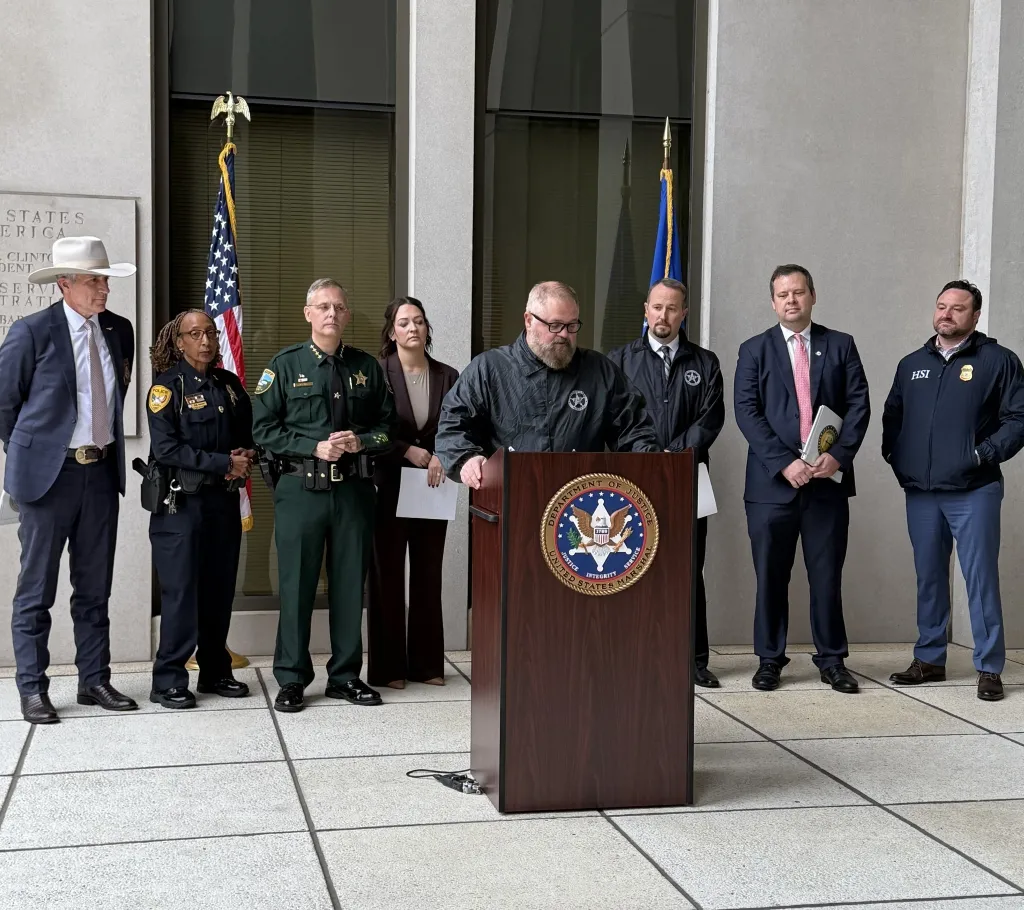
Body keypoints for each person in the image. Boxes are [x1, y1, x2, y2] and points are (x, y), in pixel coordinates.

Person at [0, 236, 139, 724]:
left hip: (99, 473)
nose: (104, 289)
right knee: (36, 589)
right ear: (65, 284)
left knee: (94, 586)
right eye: (94, 281)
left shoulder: (120, 331)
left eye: (106, 280)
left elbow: (115, 391)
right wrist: (30, 457)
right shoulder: (31, 332)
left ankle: (94, 680)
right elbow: (6, 406)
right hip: (48, 479)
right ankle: (33, 688)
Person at [252, 278, 397, 713]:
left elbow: (388, 427)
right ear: (308, 313)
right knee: (296, 584)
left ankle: (346, 676)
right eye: (323, 307)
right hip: (301, 490)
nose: (332, 314)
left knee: (351, 584)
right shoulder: (283, 365)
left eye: (338, 307)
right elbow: (262, 429)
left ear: (347, 315)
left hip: (353, 490)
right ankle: (293, 678)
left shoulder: (366, 367)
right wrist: (311, 446)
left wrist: (362, 441)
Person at [883, 280, 1024, 702]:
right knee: (928, 576)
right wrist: (899, 459)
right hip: (922, 492)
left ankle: (989, 667)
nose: (946, 314)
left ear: (975, 316)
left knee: (979, 578)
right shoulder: (911, 364)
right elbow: (893, 418)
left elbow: (1018, 420)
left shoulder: (998, 361)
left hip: (973, 490)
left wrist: (982, 455)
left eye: (957, 309)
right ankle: (929, 659)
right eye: (941, 306)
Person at [734, 264, 870, 694]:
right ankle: (769, 660)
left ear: (813, 295)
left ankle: (832, 660)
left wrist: (839, 457)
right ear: (773, 302)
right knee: (771, 576)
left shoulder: (841, 345)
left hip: (826, 483)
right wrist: (783, 463)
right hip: (772, 487)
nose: (791, 300)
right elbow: (746, 412)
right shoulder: (754, 349)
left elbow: (858, 405)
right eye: (782, 294)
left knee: (827, 576)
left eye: (798, 292)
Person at [608, 279, 725, 688]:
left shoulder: (705, 363)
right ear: (645, 310)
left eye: (672, 308)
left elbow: (710, 420)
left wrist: (673, 456)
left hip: (689, 478)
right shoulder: (619, 361)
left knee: (690, 568)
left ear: (684, 313)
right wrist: (647, 458)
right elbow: (614, 418)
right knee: (633, 566)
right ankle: (632, 653)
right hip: (634, 481)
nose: (663, 316)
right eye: (657, 307)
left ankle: (694, 660)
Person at [436, 280, 660, 486]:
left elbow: (634, 428)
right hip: (510, 502)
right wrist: (467, 458)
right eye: (555, 325)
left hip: (580, 501)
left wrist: (653, 462)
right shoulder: (489, 369)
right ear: (529, 320)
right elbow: (453, 424)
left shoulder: (599, 371)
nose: (564, 334)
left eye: (572, 326)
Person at [145, 309, 255, 708]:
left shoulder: (228, 384)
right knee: (181, 592)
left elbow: (248, 433)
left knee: (218, 589)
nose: (206, 340)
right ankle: (169, 679)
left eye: (210, 333)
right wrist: (224, 463)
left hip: (222, 503)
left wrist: (247, 452)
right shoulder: (165, 388)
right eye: (196, 334)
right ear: (179, 342)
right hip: (181, 505)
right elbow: (167, 449)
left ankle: (214, 671)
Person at [369, 298, 459, 689]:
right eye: (404, 322)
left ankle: (426, 665)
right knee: (387, 575)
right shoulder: (376, 373)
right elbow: (366, 426)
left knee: (427, 573)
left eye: (419, 321)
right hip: (388, 484)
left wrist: (444, 454)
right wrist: (405, 449)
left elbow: (458, 424)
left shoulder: (448, 374)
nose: (413, 328)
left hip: (432, 485)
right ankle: (389, 669)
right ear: (392, 332)